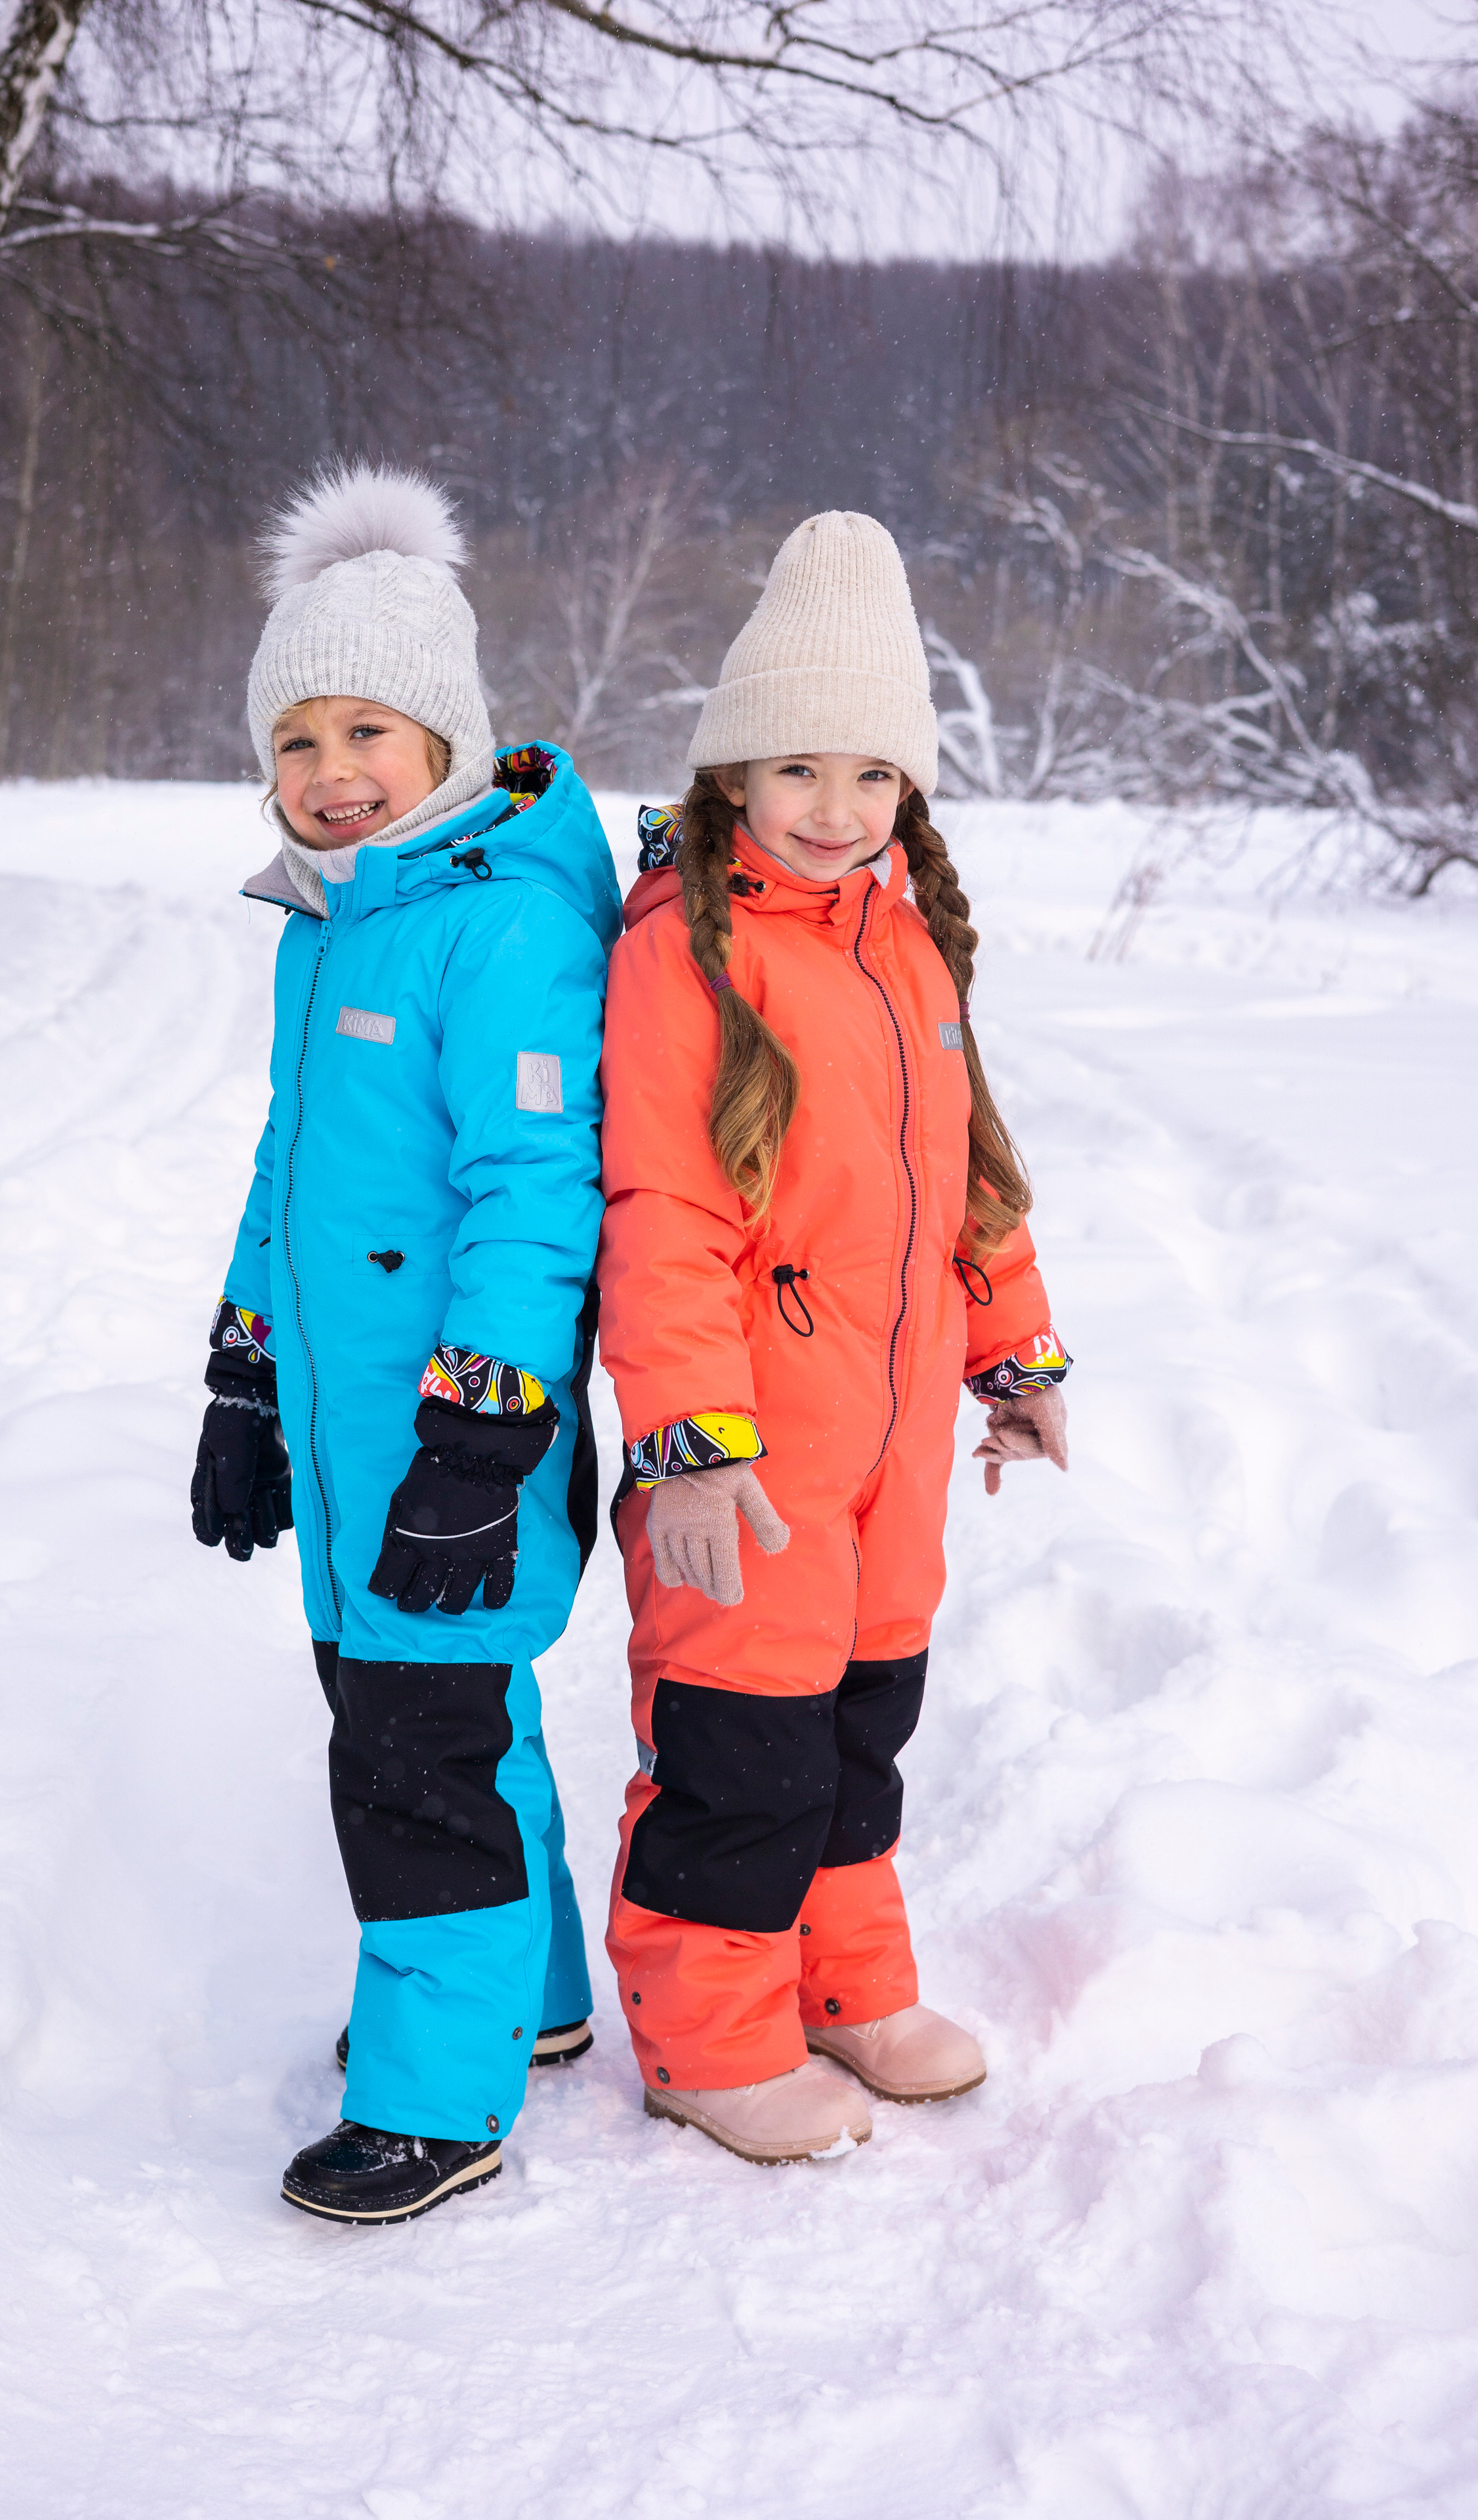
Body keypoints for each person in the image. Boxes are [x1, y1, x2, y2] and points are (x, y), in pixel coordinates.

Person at [595, 510, 1072, 2164]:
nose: (832, 809)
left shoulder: (906, 943)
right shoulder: (683, 950)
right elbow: (661, 1219)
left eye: (868, 775)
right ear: (730, 774)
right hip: (746, 1460)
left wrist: (1013, 1359)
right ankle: (704, 2036)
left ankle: (844, 1985)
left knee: (857, 1732)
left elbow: (962, 1181)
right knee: (736, 1750)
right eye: (795, 770)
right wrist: (688, 1450)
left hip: (891, 1461)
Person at [190, 464, 621, 2222]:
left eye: (371, 727)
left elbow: (537, 1197)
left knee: (414, 1766)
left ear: (448, 739)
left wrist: (484, 1442)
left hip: (454, 1446)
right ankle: (528, 2006)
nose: (330, 770)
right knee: (455, 1727)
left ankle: (436, 2101)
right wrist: (243, 1376)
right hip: (355, 1432)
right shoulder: (335, 917)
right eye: (296, 738)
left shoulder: (503, 927)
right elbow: (293, 1174)